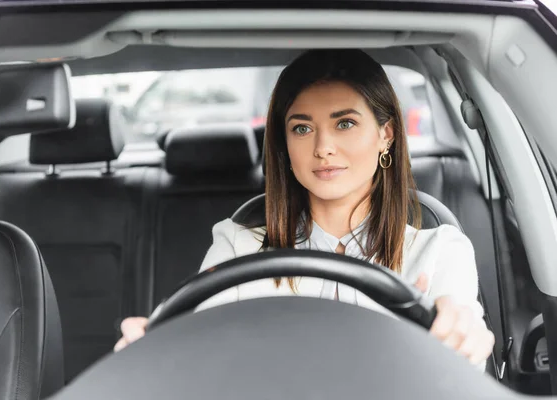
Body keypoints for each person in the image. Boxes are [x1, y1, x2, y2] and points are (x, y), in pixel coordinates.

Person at [115, 49, 495, 367]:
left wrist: (463, 334)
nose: (322, 147)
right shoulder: (238, 246)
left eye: (344, 123)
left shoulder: (440, 251)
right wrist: (154, 351)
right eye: (301, 128)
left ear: (386, 135)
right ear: (284, 144)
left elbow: (462, 327)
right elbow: (196, 346)